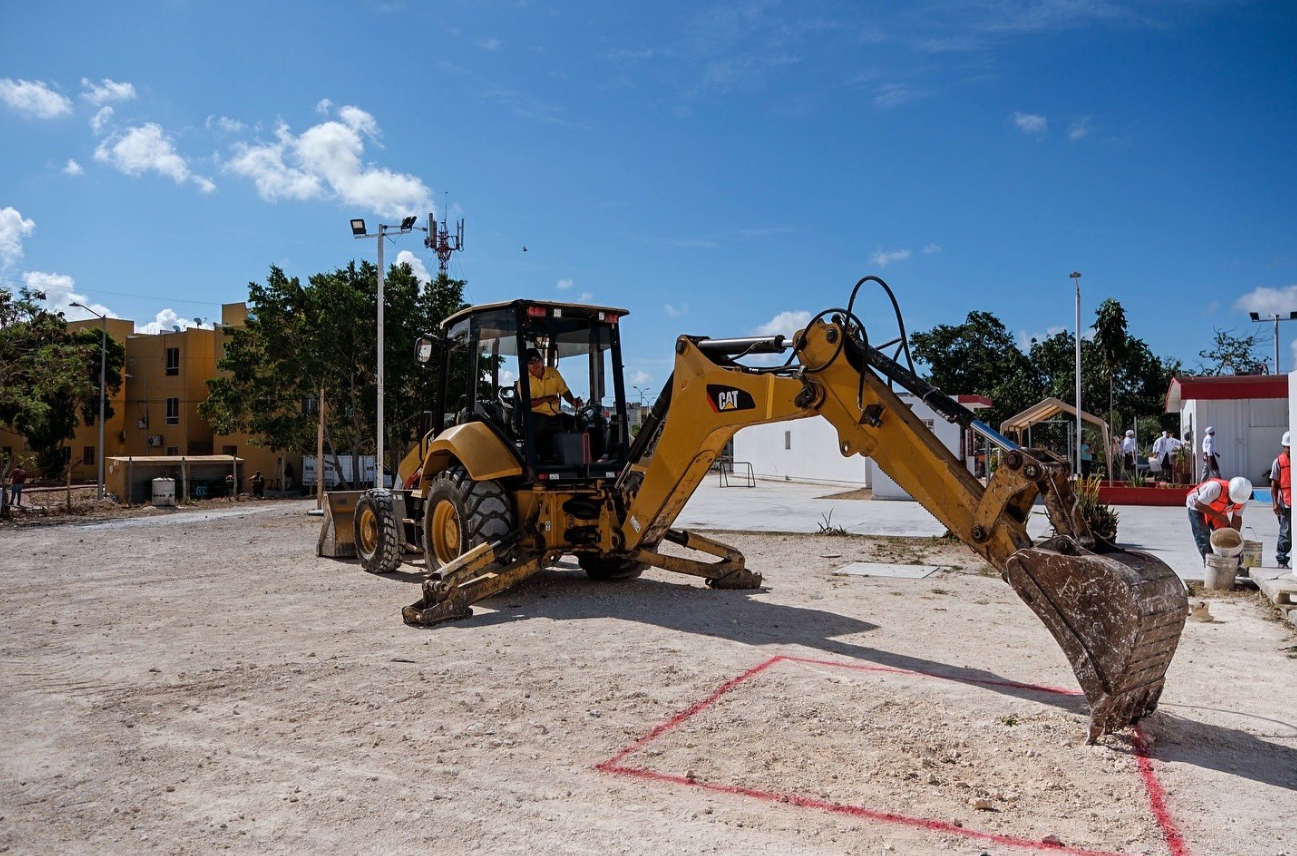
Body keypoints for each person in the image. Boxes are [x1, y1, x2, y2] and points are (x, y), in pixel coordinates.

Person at [1185, 475, 1251, 563]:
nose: (1233, 503)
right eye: (1231, 500)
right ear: (1228, 491)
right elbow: (1198, 505)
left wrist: (1235, 535)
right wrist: (1219, 516)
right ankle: (1210, 563)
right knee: (1203, 534)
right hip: (1197, 504)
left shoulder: (1242, 499)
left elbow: (1237, 518)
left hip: (1215, 508)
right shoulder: (1216, 488)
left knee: (1225, 535)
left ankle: (1230, 562)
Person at [523, 347, 582, 430]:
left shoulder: (553, 372)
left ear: (541, 360)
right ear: (526, 365)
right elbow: (527, 403)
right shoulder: (523, 380)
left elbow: (563, 390)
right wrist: (546, 399)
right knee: (544, 426)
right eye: (531, 362)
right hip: (536, 415)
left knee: (580, 422)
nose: (535, 364)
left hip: (555, 414)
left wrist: (572, 401)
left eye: (537, 360)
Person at [1270, 432, 1291, 570]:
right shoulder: (1279, 461)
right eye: (1287, 447)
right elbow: (1274, 484)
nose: (1289, 450)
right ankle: (1282, 559)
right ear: (1283, 446)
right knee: (1286, 531)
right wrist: (1275, 503)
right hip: (1286, 503)